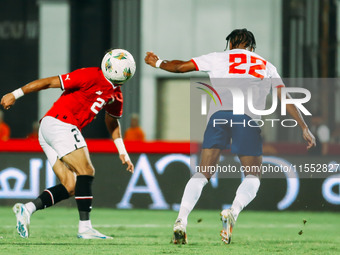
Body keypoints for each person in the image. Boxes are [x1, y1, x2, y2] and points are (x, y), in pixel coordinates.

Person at [145, 28, 316, 245]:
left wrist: (158, 63)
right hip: (246, 119)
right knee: (253, 175)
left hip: (218, 117)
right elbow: (285, 97)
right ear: (251, 47)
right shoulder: (266, 65)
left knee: (203, 173)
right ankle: (232, 212)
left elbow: (179, 67)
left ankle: (181, 220)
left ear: (231, 44)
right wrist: (303, 126)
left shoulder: (217, 58)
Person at [1, 49, 135, 239]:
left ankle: (27, 209)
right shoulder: (90, 75)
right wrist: (16, 93)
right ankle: (85, 228)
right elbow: (49, 82)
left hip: (51, 128)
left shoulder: (116, 94)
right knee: (86, 171)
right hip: (60, 123)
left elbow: (112, 121)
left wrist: (122, 151)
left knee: (71, 185)